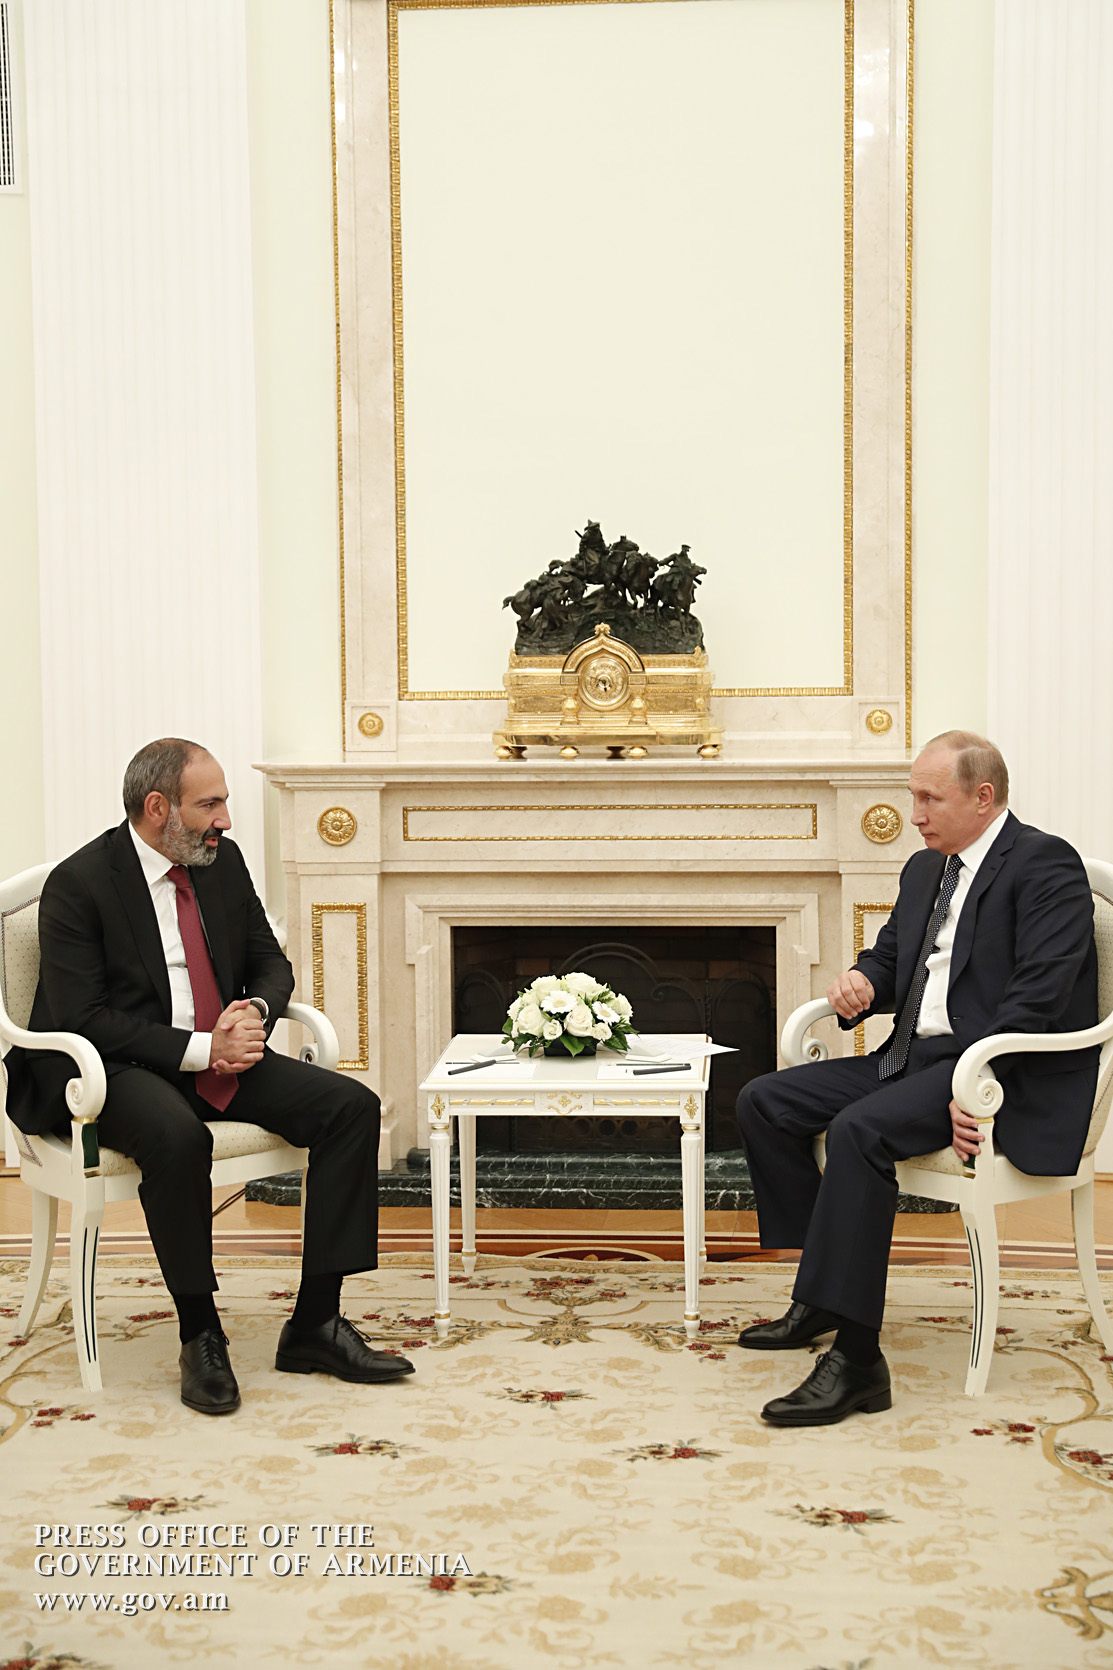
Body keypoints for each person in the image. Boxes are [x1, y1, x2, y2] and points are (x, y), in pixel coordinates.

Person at [5, 739, 414, 1414]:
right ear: (157, 807)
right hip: (114, 1066)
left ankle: (315, 1323)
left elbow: (269, 961)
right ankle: (199, 1334)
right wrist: (201, 1048)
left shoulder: (222, 862)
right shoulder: (82, 883)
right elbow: (85, 1018)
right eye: (210, 804)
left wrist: (255, 1013)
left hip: (219, 1052)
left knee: (350, 1107)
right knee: (176, 1138)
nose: (225, 819)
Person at [736, 731, 1098, 1426]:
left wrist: (977, 1088)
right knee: (764, 1101)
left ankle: (857, 1362)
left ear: (982, 797)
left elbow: (1039, 998)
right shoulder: (926, 868)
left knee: (858, 1131)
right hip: (908, 1060)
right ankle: (823, 1293)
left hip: (988, 1069)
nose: (915, 814)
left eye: (929, 798)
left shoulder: (1045, 864)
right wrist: (861, 983)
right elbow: (892, 957)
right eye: (913, 797)